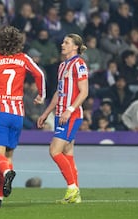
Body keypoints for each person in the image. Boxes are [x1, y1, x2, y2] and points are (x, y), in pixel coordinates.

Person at [0, 26, 46, 208]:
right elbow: (39, 73)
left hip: (0, 113)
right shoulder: (23, 59)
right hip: (17, 114)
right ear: (18, 42)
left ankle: (7, 173)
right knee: (8, 156)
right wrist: (41, 95)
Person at [37, 33, 89, 204]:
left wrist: (70, 110)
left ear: (75, 46)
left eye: (67, 42)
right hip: (60, 114)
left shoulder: (79, 64)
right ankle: (75, 194)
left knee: (54, 151)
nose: (62, 44)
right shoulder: (62, 66)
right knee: (67, 153)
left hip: (71, 115)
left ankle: (72, 188)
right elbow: (59, 93)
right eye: (63, 42)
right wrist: (46, 113)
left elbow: (84, 92)